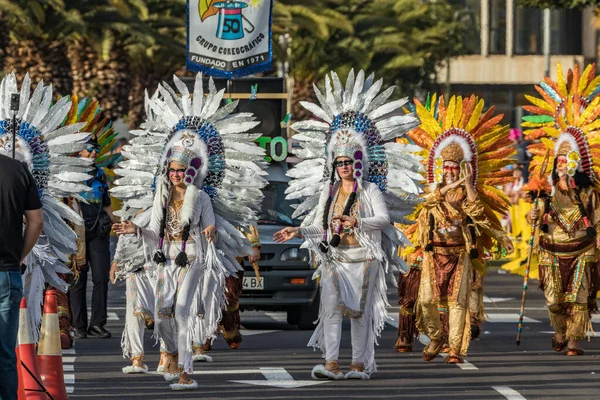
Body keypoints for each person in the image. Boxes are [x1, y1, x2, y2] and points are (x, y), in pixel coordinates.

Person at [112, 74, 267, 390]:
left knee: (181, 311)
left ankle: (185, 370)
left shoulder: (201, 196)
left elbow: (209, 221)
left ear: (191, 170)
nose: (178, 175)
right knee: (163, 312)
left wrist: (209, 230)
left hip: (192, 256)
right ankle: (169, 352)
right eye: (173, 170)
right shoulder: (161, 196)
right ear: (167, 171)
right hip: (163, 257)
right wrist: (134, 229)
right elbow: (155, 230)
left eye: (182, 170)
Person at [274, 69, 423, 380]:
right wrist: (298, 230)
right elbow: (320, 226)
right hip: (335, 259)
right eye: (339, 162)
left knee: (359, 315)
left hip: (363, 259)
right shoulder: (328, 192)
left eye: (348, 162)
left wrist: (357, 220)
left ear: (359, 163)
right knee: (329, 311)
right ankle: (330, 363)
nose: (343, 167)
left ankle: (358, 364)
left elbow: (382, 220)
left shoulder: (369, 190)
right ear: (333, 164)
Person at [406, 93, 514, 364]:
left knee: (457, 303)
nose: (451, 171)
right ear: (441, 168)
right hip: (434, 254)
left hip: (460, 254)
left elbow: (478, 214)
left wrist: (466, 185)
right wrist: (450, 186)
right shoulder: (434, 191)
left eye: (456, 167)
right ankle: (435, 335)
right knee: (427, 301)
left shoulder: (467, 192)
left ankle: (455, 348)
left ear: (462, 168)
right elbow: (430, 199)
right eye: (448, 167)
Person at [522, 63, 600, 356]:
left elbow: (598, 220)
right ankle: (559, 331)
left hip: (581, 250)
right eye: (560, 164)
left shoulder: (588, 193)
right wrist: (534, 215)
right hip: (552, 250)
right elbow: (533, 219)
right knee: (554, 300)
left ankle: (573, 341)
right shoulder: (546, 193)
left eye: (569, 163)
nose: (564, 168)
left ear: (578, 165)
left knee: (579, 299)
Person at [0, 154, 43, 400]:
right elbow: (36, 222)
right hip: (7, 271)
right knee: (5, 354)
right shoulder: (17, 169)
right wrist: (19, 255)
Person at [70, 140, 116, 340]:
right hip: (76, 231)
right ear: (80, 150)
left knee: (101, 278)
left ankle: (97, 324)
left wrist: (114, 224)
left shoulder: (100, 174)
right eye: (90, 149)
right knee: (77, 277)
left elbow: (106, 204)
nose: (94, 153)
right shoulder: (69, 174)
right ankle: (78, 325)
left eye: (97, 149)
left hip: (98, 230)